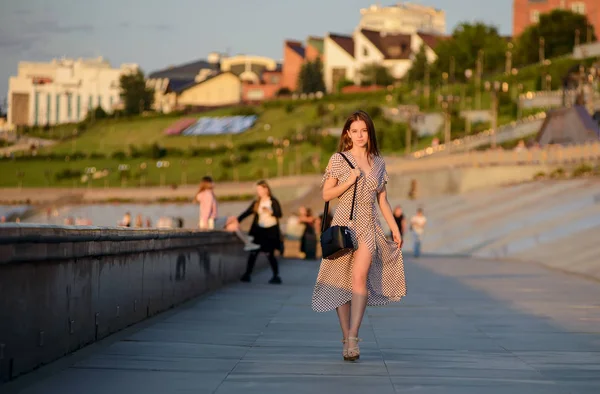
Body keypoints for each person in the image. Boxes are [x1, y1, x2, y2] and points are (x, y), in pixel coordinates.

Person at [312, 110, 406, 362]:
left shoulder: (378, 162)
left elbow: (383, 200)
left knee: (358, 276)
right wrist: (349, 181)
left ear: (369, 132)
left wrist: (394, 228)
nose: (360, 135)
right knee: (341, 282)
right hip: (343, 225)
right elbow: (326, 195)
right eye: (355, 131)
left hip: (369, 225)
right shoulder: (338, 160)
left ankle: (353, 335)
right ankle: (347, 340)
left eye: (364, 130)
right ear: (347, 134)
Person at [233, 180, 283, 284]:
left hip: (271, 231)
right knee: (253, 252)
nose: (259, 191)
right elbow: (247, 213)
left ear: (266, 189)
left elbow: (279, 214)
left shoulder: (273, 201)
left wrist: (271, 212)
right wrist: (236, 221)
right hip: (259, 231)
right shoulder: (257, 202)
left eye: (260, 189)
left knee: (270, 253)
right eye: (257, 190)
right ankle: (247, 274)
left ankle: (276, 276)